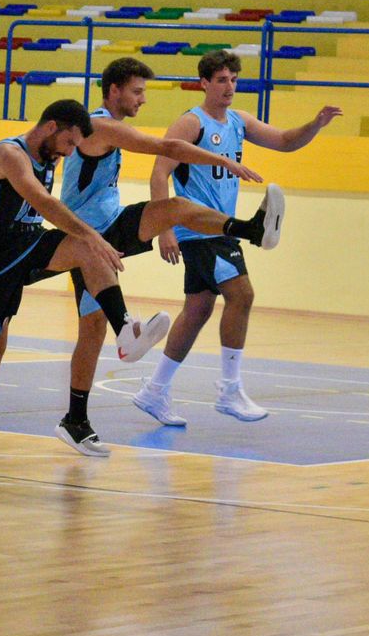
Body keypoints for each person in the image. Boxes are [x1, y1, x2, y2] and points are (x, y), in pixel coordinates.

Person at [0, 99, 172, 482]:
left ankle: (126, 331)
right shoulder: (8, 154)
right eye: (68, 143)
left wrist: (91, 238)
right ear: (50, 127)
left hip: (29, 245)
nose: (69, 152)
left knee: (87, 248)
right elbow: (43, 202)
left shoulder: (51, 155)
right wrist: (92, 233)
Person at [54, 57, 277, 452]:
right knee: (92, 332)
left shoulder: (106, 126)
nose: (142, 99)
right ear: (114, 91)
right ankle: (247, 230)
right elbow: (166, 149)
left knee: (173, 214)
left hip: (107, 232)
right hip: (88, 237)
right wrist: (222, 159)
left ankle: (84, 409)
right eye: (137, 91)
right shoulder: (100, 126)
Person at [132, 50, 341, 425]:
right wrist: (164, 229)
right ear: (205, 84)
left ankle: (154, 391)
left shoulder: (239, 121)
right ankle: (229, 389)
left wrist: (315, 124)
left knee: (197, 310)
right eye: (223, 80)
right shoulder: (189, 123)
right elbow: (158, 174)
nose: (230, 87)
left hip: (219, 227)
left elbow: (285, 140)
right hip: (198, 227)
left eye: (234, 80)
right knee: (242, 294)